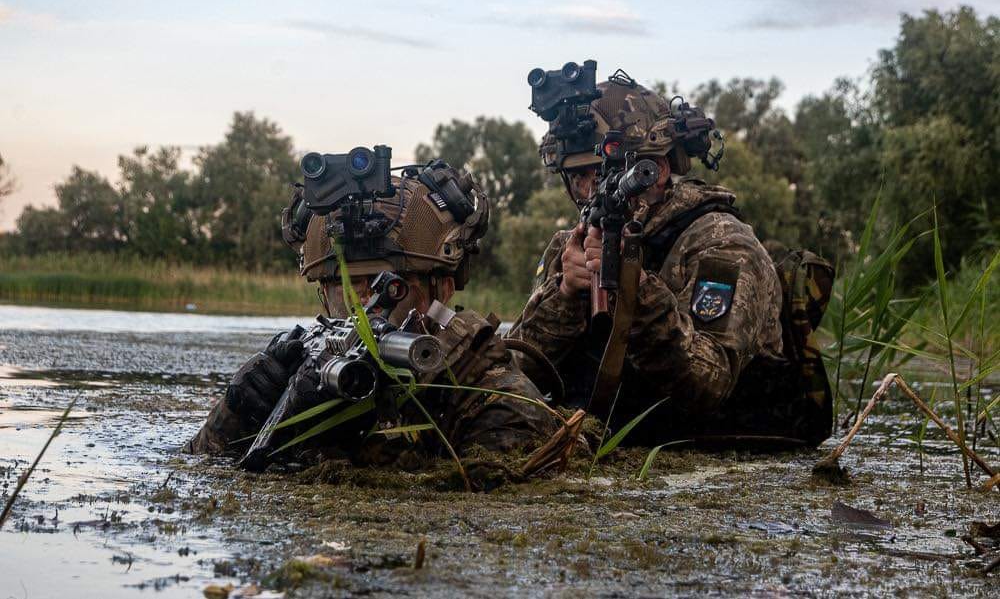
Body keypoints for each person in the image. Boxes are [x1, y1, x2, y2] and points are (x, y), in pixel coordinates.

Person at [507, 72, 831, 446]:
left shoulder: (722, 244)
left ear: (656, 172)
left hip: (717, 463)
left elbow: (708, 385)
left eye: (601, 174)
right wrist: (565, 294)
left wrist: (636, 290)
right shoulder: (570, 248)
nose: (587, 190)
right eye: (576, 176)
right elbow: (517, 376)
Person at [184, 160, 562, 465]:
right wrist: (235, 415)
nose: (361, 307)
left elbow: (482, 511)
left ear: (443, 289)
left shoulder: (493, 395)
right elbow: (198, 474)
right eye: (346, 287)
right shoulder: (306, 372)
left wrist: (341, 446)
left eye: (388, 287)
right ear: (323, 295)